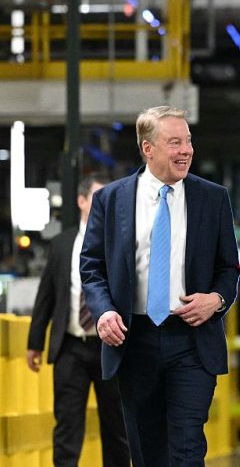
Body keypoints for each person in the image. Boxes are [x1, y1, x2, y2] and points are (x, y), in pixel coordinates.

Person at [80, 105, 240, 467]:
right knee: (147, 451)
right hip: (134, 340)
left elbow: (228, 267)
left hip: (191, 341)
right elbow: (92, 266)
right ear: (148, 148)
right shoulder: (111, 199)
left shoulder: (213, 198)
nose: (186, 150)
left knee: (186, 447)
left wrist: (215, 300)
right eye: (174, 142)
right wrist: (104, 310)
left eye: (188, 141)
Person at [26, 173, 130, 467]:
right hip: (70, 346)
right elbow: (46, 295)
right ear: (81, 201)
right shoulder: (62, 244)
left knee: (117, 427)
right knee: (67, 424)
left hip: (112, 346)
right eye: (98, 197)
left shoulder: (121, 242)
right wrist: (35, 343)